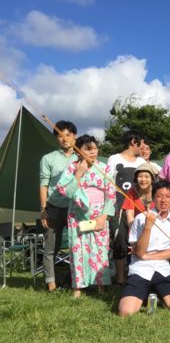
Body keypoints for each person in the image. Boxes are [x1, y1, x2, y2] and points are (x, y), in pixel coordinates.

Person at [54, 135, 116, 298]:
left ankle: (100, 285)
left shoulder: (105, 168)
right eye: (88, 149)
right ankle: (78, 287)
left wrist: (104, 216)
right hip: (78, 212)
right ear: (78, 151)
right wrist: (79, 174)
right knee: (78, 249)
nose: (93, 152)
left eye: (94, 148)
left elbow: (111, 194)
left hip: (100, 212)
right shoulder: (72, 168)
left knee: (100, 249)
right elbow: (66, 191)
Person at [118, 180, 170, 316]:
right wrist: (148, 227)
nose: (163, 200)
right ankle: (146, 293)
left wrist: (147, 256)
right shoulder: (140, 219)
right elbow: (138, 251)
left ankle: (156, 293)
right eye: (159, 196)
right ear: (153, 198)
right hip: (140, 269)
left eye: (168, 197)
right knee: (126, 311)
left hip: (162, 269)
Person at [39, 120, 78, 291]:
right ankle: (51, 283)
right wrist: (44, 209)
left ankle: (77, 281)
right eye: (60, 136)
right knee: (51, 247)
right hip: (54, 206)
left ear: (74, 136)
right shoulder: (48, 158)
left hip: (76, 208)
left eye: (68, 135)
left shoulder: (81, 157)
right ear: (56, 139)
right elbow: (44, 184)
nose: (64, 139)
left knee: (77, 245)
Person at [107, 131, 146, 285]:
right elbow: (108, 182)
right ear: (133, 142)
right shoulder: (114, 159)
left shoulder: (141, 161)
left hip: (137, 206)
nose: (143, 147)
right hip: (118, 206)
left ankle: (138, 274)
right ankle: (120, 277)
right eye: (141, 144)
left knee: (139, 239)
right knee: (120, 239)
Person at [123, 162, 159, 227]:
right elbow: (130, 217)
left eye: (146, 177)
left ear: (152, 179)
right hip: (137, 227)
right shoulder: (132, 193)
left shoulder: (158, 192)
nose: (143, 179)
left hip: (156, 227)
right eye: (140, 176)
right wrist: (133, 231)